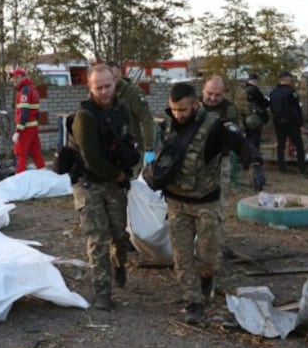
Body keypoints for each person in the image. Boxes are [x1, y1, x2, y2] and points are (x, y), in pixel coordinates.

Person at [155, 81, 265, 324]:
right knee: (182, 256)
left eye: (182, 110)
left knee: (209, 257)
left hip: (205, 203)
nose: (177, 115)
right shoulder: (168, 124)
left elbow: (241, 144)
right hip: (176, 202)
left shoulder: (215, 127)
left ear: (196, 104)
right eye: (173, 109)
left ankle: (206, 279)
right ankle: (193, 301)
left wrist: (255, 162)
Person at [69, 63, 138, 311]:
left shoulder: (120, 108)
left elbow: (127, 139)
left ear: (115, 83)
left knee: (119, 234)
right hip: (89, 183)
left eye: (108, 86)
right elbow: (91, 158)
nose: (104, 92)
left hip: (114, 182)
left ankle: (119, 265)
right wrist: (117, 175)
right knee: (97, 238)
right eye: (98, 87)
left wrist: (129, 162)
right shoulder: (84, 116)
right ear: (90, 87)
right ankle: (102, 292)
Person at [107, 61, 155, 173]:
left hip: (131, 148)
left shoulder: (132, 93)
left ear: (119, 74)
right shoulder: (104, 93)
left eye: (115, 77)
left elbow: (146, 118)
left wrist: (149, 146)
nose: (112, 80)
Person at [269, 71, 308, 176]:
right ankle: (302, 168)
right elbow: (296, 109)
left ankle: (281, 166)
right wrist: (300, 124)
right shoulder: (291, 92)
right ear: (287, 79)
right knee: (299, 145)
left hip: (278, 121)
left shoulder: (273, 92)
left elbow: (272, 108)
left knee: (281, 144)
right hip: (290, 122)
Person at [10, 69, 46, 174]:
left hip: (25, 127)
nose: (14, 80)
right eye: (13, 78)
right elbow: (36, 112)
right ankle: (44, 176)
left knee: (21, 153)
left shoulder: (24, 91)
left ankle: (19, 178)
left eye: (17, 78)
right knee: (36, 152)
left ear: (23, 77)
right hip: (33, 126)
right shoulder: (33, 89)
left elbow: (24, 113)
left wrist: (18, 131)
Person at [242, 73, 270, 152]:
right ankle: (254, 157)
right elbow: (258, 104)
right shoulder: (253, 90)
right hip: (255, 118)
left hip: (246, 117)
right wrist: (265, 107)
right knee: (254, 139)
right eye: (255, 80)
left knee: (249, 138)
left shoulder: (244, 90)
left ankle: (248, 156)